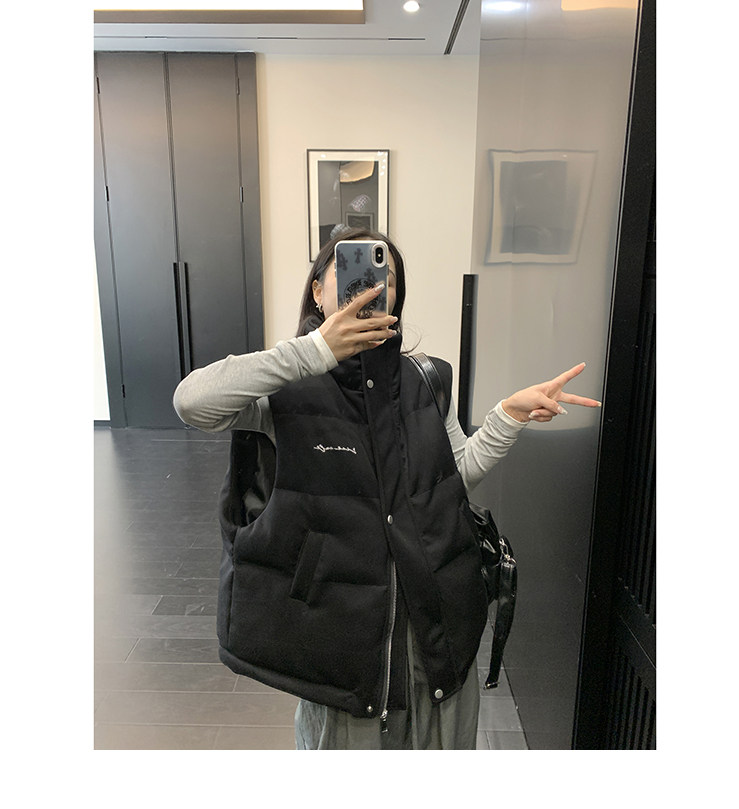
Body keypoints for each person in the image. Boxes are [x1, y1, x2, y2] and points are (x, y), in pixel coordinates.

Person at [172, 227, 601, 750]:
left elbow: (451, 480)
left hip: (434, 635)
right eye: (351, 269)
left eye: (387, 277)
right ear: (318, 290)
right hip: (339, 648)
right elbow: (192, 402)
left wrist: (507, 417)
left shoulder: (425, 381)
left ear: (396, 298)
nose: (373, 285)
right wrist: (314, 351)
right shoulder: (284, 386)